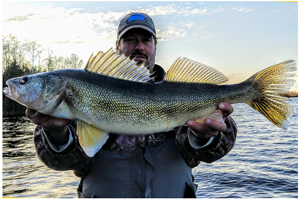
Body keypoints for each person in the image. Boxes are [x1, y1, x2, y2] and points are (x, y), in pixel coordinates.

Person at [26, 12, 237, 198]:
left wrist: (205, 137)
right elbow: (60, 162)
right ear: (117, 46)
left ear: (155, 47)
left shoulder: (181, 91)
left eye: (146, 40)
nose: (139, 47)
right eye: (130, 39)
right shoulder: (73, 98)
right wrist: (56, 135)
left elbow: (212, 150)